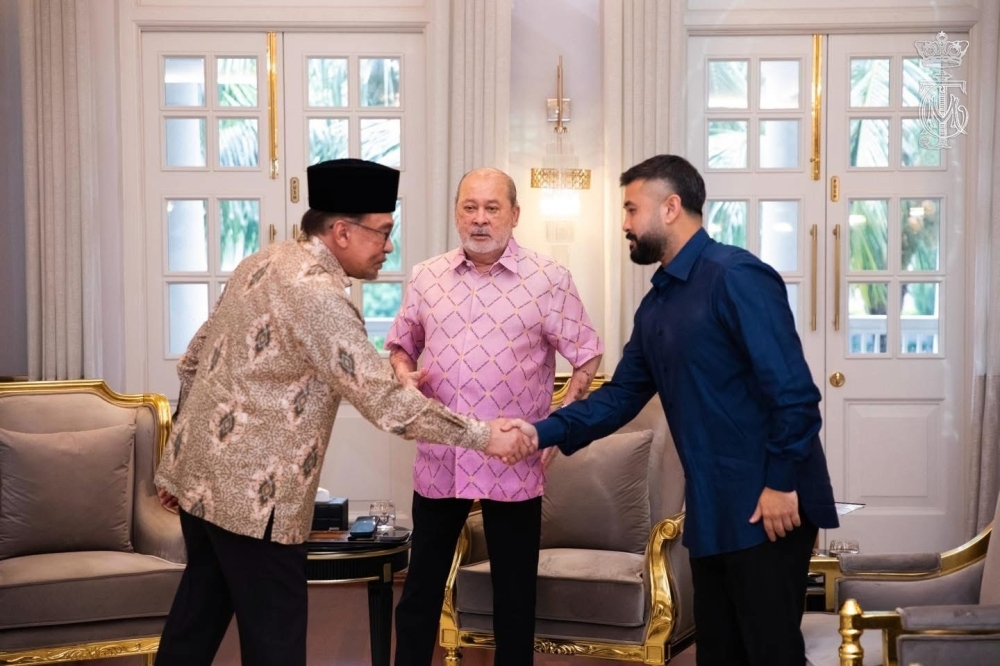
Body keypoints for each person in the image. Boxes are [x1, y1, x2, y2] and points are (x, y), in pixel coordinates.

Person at [152, 158, 536, 666]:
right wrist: (485, 435)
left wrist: (180, 455)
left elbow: (193, 361)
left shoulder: (264, 260)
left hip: (199, 480)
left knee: (194, 626)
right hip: (254, 500)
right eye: (383, 232)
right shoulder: (318, 295)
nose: (389, 246)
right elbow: (385, 404)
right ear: (341, 232)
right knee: (275, 646)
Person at [520, 154, 839, 666]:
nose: (624, 223)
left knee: (771, 653)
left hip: (769, 504)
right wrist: (542, 432)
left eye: (631, 209)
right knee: (719, 655)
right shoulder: (657, 305)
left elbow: (794, 394)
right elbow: (620, 397)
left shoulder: (737, 276)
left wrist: (781, 483)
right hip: (711, 511)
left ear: (670, 208)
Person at [386, 167, 603, 666]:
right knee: (420, 592)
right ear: (456, 213)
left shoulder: (549, 279)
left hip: (513, 458)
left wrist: (558, 427)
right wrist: (402, 375)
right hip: (442, 454)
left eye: (492, 208)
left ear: (515, 214)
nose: (480, 219)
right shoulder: (426, 276)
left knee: (514, 597)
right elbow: (401, 345)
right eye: (470, 207)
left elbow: (587, 354)